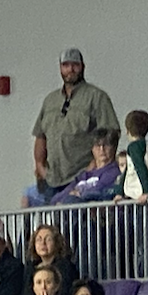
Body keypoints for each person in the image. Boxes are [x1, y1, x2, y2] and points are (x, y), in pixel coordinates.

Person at [27, 48, 120, 205]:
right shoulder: (50, 100)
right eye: (66, 65)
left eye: (75, 65)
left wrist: (94, 167)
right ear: (60, 68)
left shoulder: (96, 97)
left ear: (82, 66)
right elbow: (40, 135)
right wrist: (40, 166)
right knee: (52, 227)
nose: (70, 69)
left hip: (83, 178)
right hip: (51, 180)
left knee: (77, 225)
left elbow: (111, 133)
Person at [15, 226, 81, 295]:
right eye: (39, 239)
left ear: (56, 243)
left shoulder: (66, 267)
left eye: (48, 239)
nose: (43, 243)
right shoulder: (30, 268)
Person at [53, 130, 124, 203]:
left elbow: (98, 191)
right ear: (92, 149)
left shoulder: (114, 171)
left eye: (106, 145)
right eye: (97, 145)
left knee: (71, 201)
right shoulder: (85, 174)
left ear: (114, 147)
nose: (102, 149)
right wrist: (66, 196)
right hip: (74, 208)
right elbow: (57, 197)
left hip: (94, 211)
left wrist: (79, 194)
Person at [115, 113, 148, 202]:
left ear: (128, 131)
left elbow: (140, 167)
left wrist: (146, 191)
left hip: (136, 194)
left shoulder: (134, 147)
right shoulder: (147, 145)